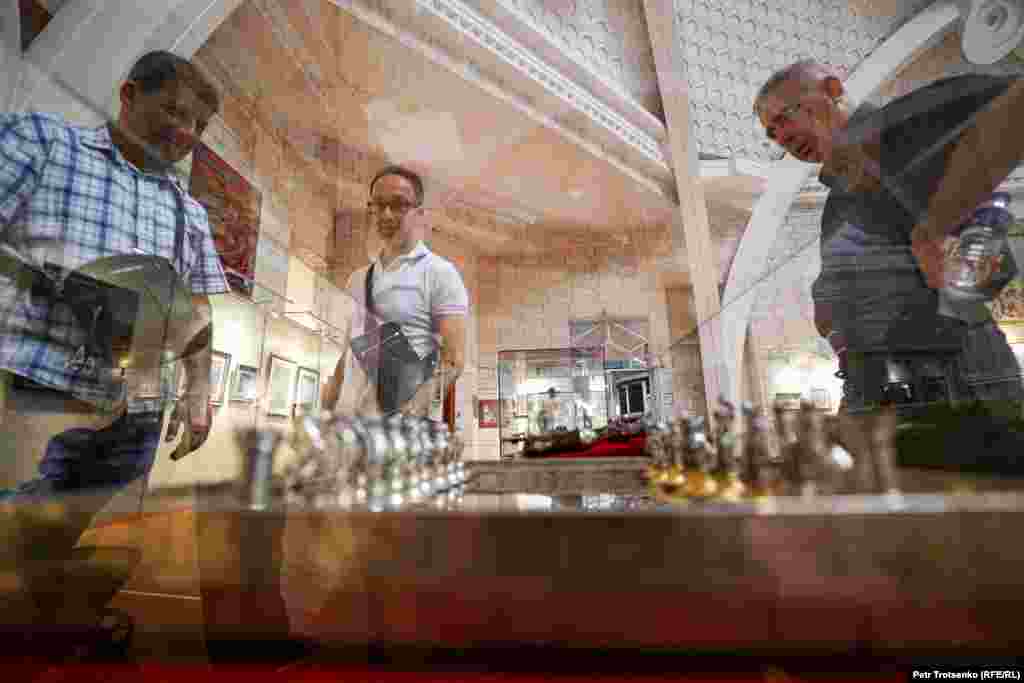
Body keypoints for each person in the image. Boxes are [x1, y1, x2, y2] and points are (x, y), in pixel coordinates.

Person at [0, 51, 229, 630]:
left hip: (136, 410)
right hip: (41, 385)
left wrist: (199, 390)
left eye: (199, 127)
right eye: (174, 112)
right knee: (15, 532)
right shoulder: (43, 143)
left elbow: (198, 312)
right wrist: (56, 275)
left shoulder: (190, 213)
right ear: (128, 94)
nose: (185, 134)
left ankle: (59, 633)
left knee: (103, 544)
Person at [754, 60, 1024, 474]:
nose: (783, 137)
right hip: (880, 393)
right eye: (771, 133)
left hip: (961, 381)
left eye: (786, 116)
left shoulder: (905, 127)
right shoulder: (837, 206)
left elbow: (1016, 101)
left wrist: (937, 228)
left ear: (832, 89)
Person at [322, 165, 468, 417]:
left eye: (399, 205)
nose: (386, 214)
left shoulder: (439, 272)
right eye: (378, 205)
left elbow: (453, 359)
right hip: (351, 430)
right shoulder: (357, 279)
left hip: (399, 434)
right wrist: (325, 410)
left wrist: (413, 410)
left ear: (419, 213)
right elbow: (348, 355)